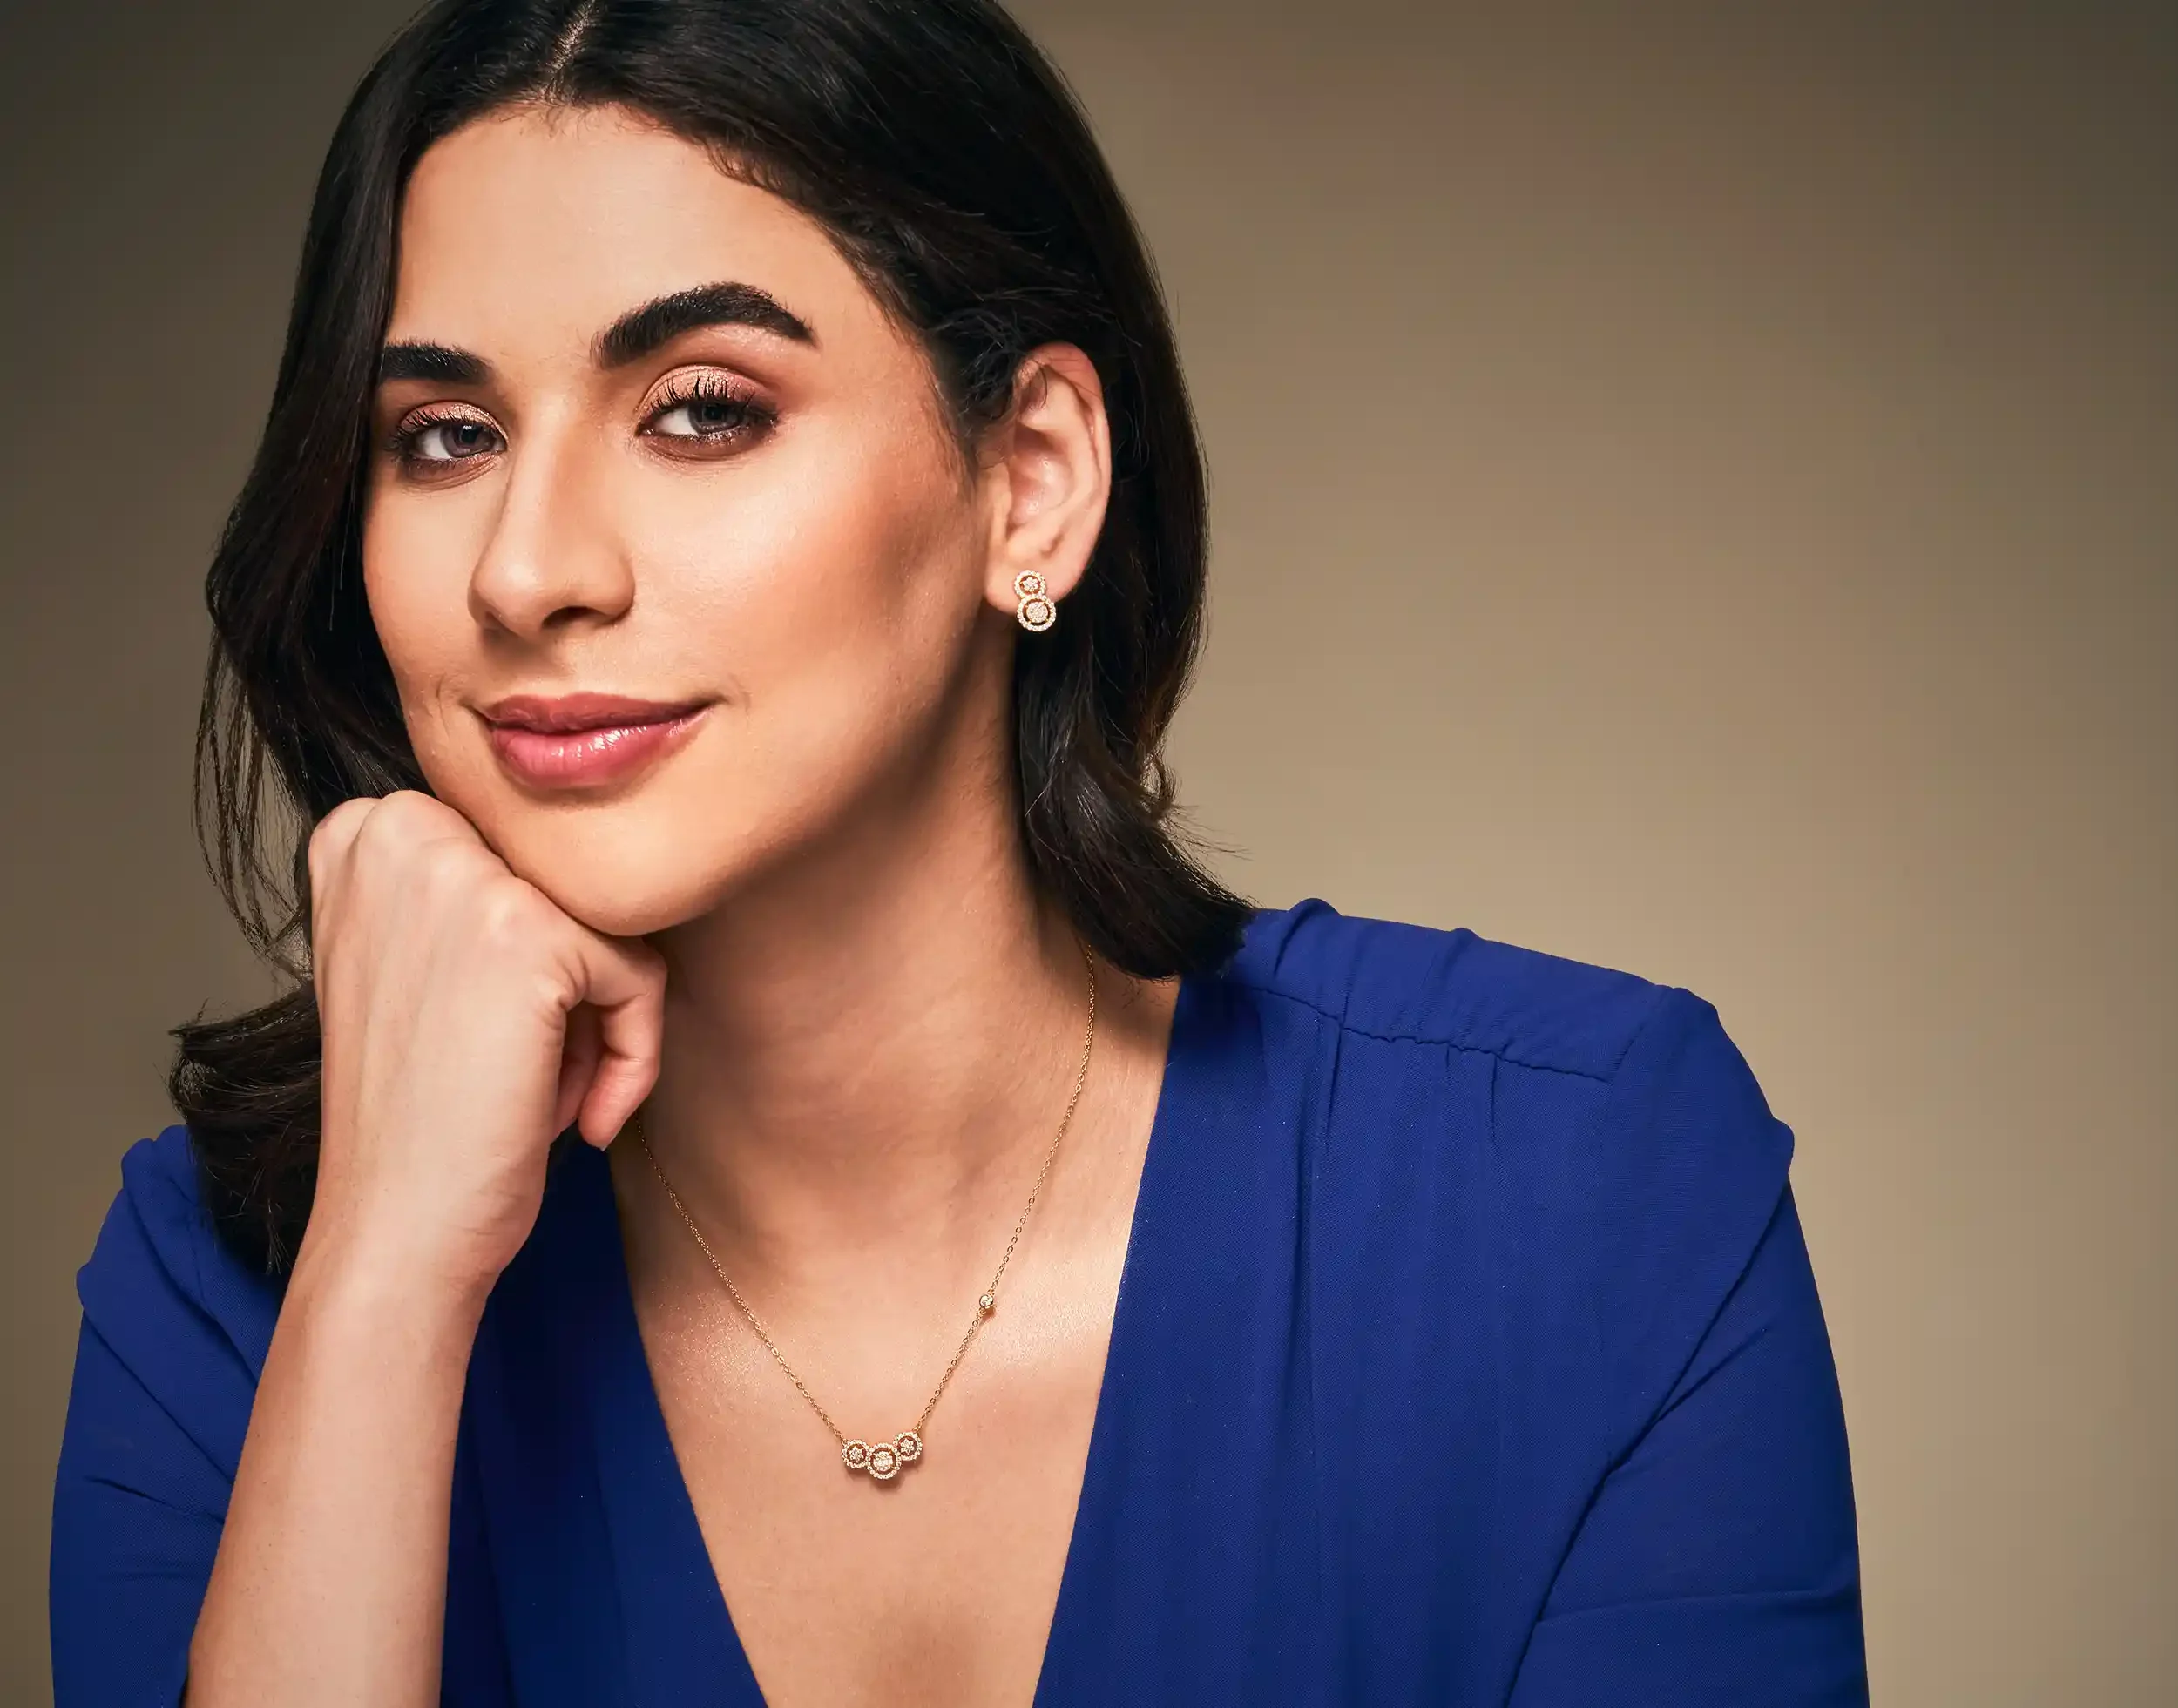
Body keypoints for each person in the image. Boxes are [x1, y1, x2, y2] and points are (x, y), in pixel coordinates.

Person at [48, 1, 1867, 1703]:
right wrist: (383, 1281)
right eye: (444, 437)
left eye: (701, 409)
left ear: (1032, 478)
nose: (527, 571)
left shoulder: (1582, 1179)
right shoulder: (241, 1279)